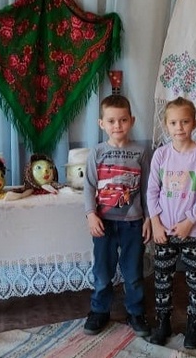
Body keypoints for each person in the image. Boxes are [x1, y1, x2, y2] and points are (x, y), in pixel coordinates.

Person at [147, 96, 196, 349]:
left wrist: (190, 221)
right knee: (162, 279)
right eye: (174, 122)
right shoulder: (161, 155)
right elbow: (152, 191)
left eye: (185, 122)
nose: (179, 127)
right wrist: (155, 222)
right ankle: (163, 321)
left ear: (194, 123)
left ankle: (194, 324)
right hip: (164, 231)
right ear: (166, 125)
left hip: (192, 232)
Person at [82, 94, 152, 338]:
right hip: (104, 223)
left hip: (133, 224)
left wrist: (149, 218)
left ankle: (135, 311)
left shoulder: (141, 152)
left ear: (132, 121)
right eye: (111, 121)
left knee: (133, 272)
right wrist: (91, 214)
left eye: (123, 120)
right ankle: (99, 310)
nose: (117, 125)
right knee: (102, 271)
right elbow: (89, 186)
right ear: (101, 123)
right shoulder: (97, 152)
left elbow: (148, 188)